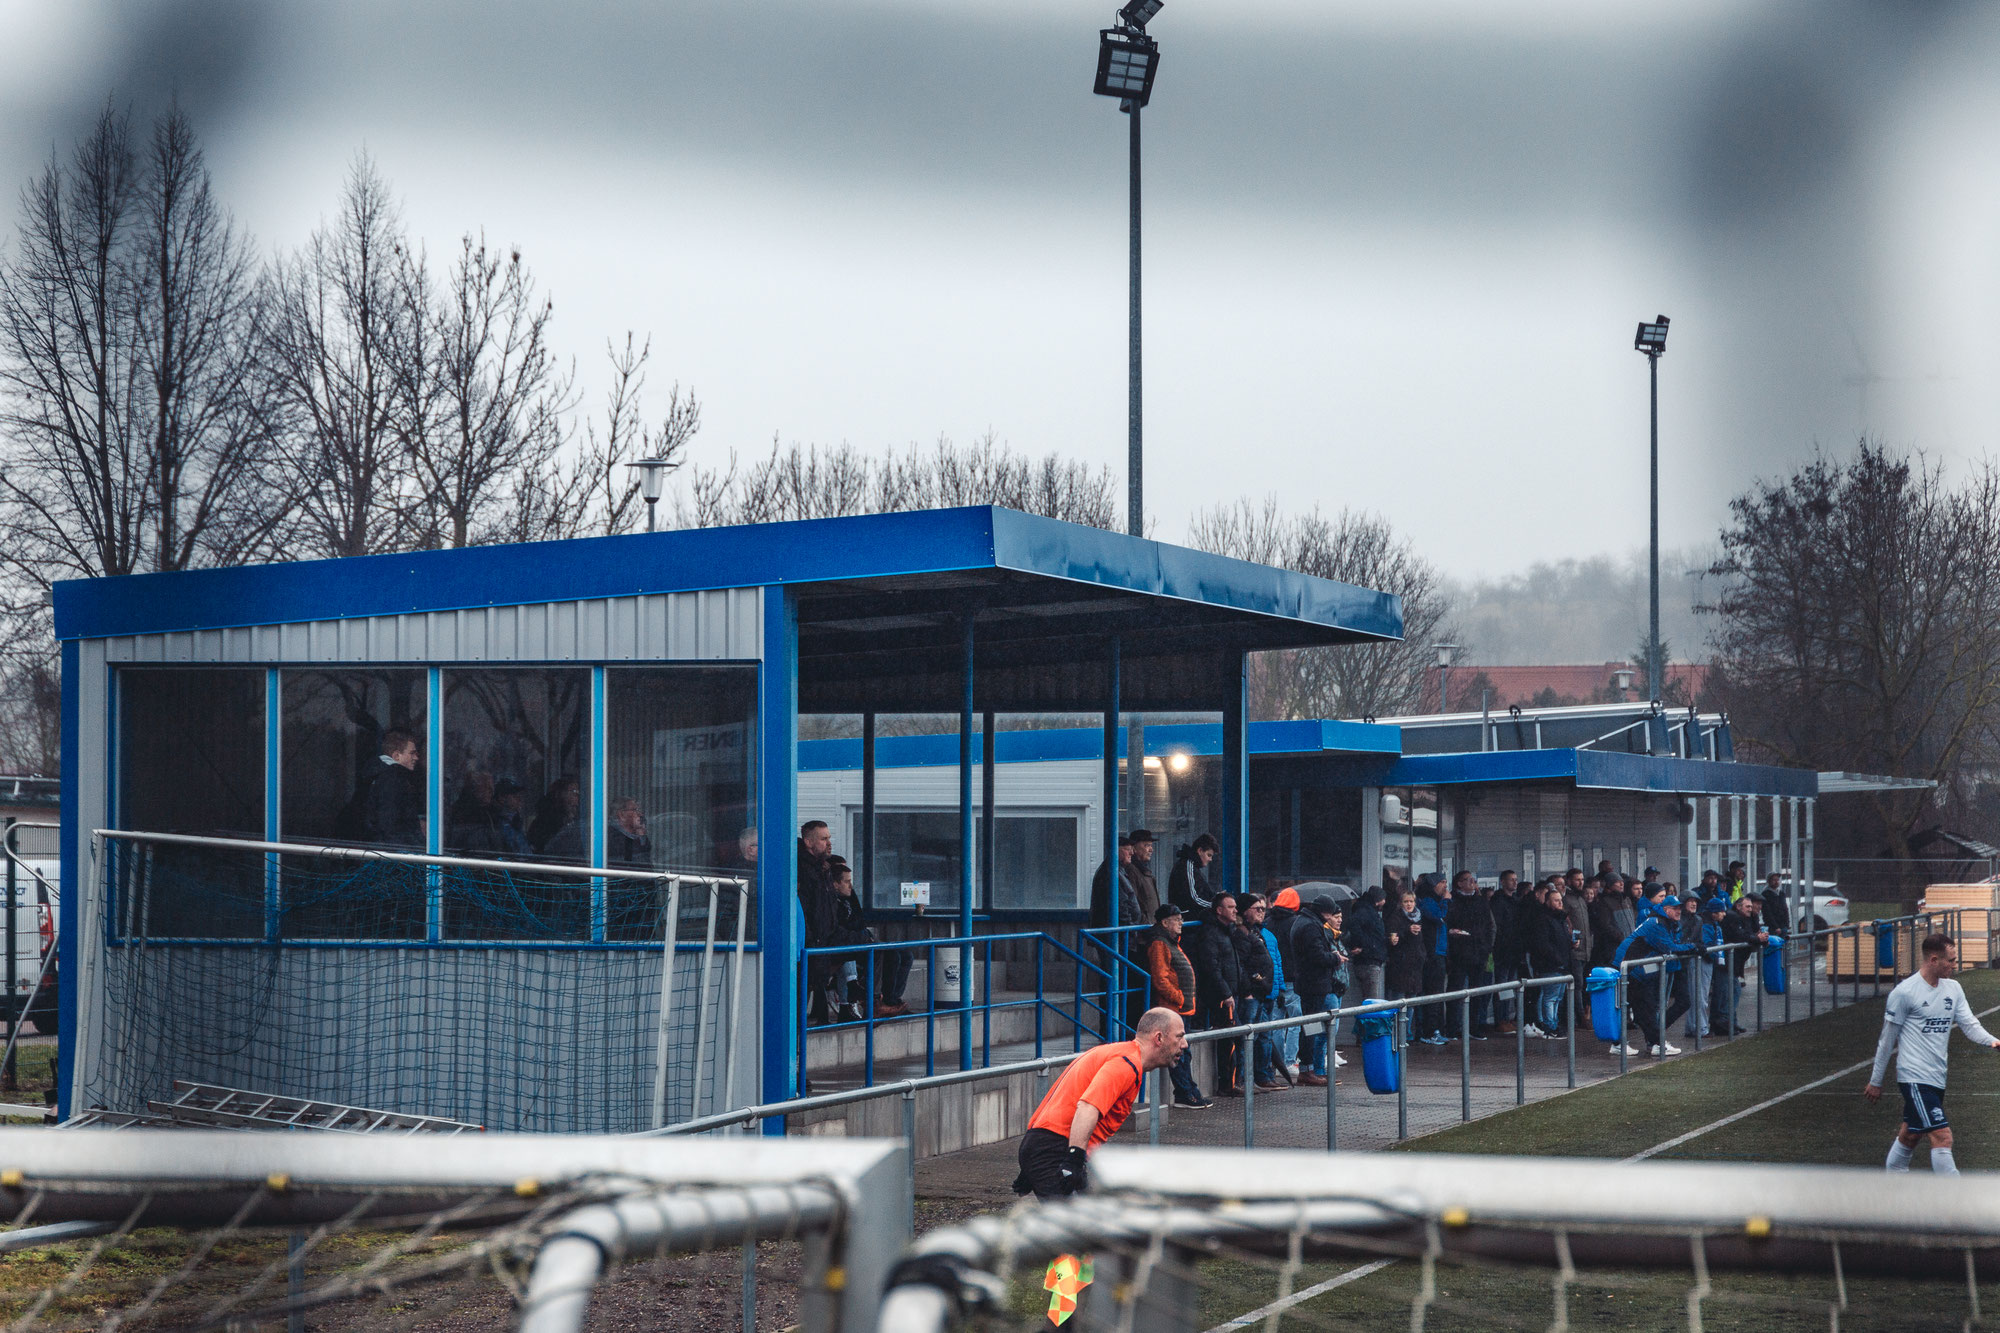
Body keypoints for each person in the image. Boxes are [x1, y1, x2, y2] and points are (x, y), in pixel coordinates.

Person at [1014, 1007, 1189, 1198]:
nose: (1185, 1044)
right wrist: (1072, 1159)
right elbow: (1087, 1107)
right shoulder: (1125, 1064)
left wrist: (1034, 1159)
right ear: (1159, 1038)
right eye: (1179, 1037)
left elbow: (1060, 1100)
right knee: (1075, 1225)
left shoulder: (1116, 1054)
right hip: (1055, 1151)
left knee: (1090, 1217)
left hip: (1050, 1147)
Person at [1865, 935, 1999, 1175]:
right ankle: (1956, 1205)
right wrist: (1875, 1081)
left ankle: (1894, 1183)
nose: (1954, 965)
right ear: (1934, 960)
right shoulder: (1904, 993)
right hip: (1914, 1076)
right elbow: (1887, 1041)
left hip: (1937, 1077)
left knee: (1911, 1134)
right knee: (1942, 1136)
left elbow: (1969, 1024)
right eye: (1951, 960)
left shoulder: (1953, 988)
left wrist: (1993, 1041)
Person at [1140, 904, 1209, 1108]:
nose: (1181, 923)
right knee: (1178, 1052)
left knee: (1183, 1052)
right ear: (1165, 922)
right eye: (1177, 919)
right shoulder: (1160, 943)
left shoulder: (1170, 942)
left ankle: (1189, 1091)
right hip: (1173, 1009)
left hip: (1180, 1009)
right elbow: (1160, 978)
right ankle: (1185, 1093)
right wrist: (1178, 998)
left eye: (1181, 919)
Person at [1612, 895, 1697, 1057]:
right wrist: (1693, 946)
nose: (1679, 911)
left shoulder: (1666, 923)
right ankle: (1650, 1043)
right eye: (1675, 908)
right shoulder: (1656, 924)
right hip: (1629, 969)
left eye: (1680, 908)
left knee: (1644, 1010)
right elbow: (1669, 947)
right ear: (1666, 910)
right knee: (1638, 1008)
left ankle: (1654, 1042)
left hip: (1639, 970)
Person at [1189, 893, 1245, 1094]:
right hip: (1222, 996)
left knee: (1236, 1036)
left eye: (1235, 907)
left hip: (1232, 992)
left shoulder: (1228, 932)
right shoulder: (1210, 934)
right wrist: (1225, 993)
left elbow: (1233, 963)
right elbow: (1211, 967)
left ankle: (1234, 1081)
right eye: (1230, 907)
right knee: (1230, 1038)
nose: (1235, 910)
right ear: (1219, 910)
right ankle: (1227, 1084)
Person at [1289, 895, 1347, 1086]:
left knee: (1311, 1028)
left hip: (1310, 984)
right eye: (1331, 913)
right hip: (1313, 985)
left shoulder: (1304, 922)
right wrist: (1335, 958)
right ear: (1325, 912)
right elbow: (1317, 957)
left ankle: (1310, 1069)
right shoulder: (1310, 926)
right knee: (1311, 1029)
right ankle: (1308, 1069)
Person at [337, 729, 425, 848]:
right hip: (392, 854)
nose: (416, 758)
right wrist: (415, 850)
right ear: (396, 756)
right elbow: (390, 823)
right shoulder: (392, 778)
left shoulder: (376, 775)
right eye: (412, 753)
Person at [1236, 894, 1285, 1091]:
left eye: (1264, 909)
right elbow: (1242, 965)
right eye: (1258, 908)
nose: (1262, 912)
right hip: (1254, 993)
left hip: (1268, 992)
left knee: (1265, 1036)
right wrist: (1248, 989)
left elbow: (1276, 963)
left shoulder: (1267, 935)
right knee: (1252, 1037)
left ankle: (1263, 1075)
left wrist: (1279, 988)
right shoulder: (1243, 934)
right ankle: (1248, 1078)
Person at [1445, 871, 1496, 1039]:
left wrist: (1486, 948)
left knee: (1476, 992)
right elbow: (1447, 921)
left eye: (1474, 881)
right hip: (1458, 952)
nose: (1473, 883)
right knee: (1455, 991)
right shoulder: (1453, 900)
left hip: (1478, 952)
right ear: (1459, 883)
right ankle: (1452, 1028)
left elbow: (1489, 926)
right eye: (1469, 880)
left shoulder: (1480, 901)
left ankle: (1474, 1027)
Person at [1264, 887, 1306, 1077]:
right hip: (1293, 979)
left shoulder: (1267, 923)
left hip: (1273, 980)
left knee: (1276, 1022)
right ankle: (1290, 1062)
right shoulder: (1297, 923)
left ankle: (1277, 1062)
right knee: (1295, 1023)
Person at [1526, 883, 1574, 1037]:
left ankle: (1553, 1023)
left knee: (1558, 997)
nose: (1560, 903)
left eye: (1560, 900)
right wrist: (1557, 958)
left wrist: (1572, 943)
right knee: (1550, 997)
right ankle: (1550, 1026)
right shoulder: (1543, 919)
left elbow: (1562, 940)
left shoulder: (1560, 919)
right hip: (1550, 965)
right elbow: (1543, 944)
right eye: (1555, 900)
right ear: (1547, 902)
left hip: (1562, 964)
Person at [1714, 895, 1766, 1036]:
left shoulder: (1748, 918)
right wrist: (1757, 938)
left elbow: (1749, 934)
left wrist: (1759, 937)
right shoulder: (1732, 917)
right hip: (1727, 961)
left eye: (1751, 906)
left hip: (1734, 962)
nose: (1751, 909)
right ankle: (1725, 1023)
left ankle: (1731, 1022)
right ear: (1738, 907)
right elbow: (1740, 935)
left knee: (1732, 991)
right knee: (1730, 991)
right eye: (1748, 907)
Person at [1417, 875, 1451, 1045]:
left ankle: (1436, 1029)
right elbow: (1439, 916)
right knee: (1433, 992)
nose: (1445, 886)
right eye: (1442, 883)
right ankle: (1430, 1031)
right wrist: (1445, 901)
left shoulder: (1433, 901)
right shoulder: (1428, 902)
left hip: (1440, 952)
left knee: (1438, 992)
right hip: (1433, 954)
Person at [1488, 871, 1524, 1035]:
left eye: (1516, 880)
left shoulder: (1516, 901)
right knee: (1502, 986)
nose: (1515, 883)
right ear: (1502, 882)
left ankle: (1508, 1017)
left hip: (1515, 950)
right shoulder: (1498, 901)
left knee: (1510, 985)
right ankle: (1501, 1019)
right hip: (1503, 950)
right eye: (1511, 880)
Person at [1384, 888, 1428, 1014]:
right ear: (1401, 903)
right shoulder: (1395, 917)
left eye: (1411, 901)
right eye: (1405, 902)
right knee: (1399, 1002)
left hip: (1416, 966)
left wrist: (1422, 955)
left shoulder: (1419, 917)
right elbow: (1392, 938)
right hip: (1401, 966)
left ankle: (1407, 1033)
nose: (1409, 904)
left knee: (1412, 1003)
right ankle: (1399, 1032)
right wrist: (1407, 931)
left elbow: (1422, 941)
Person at [1344, 885, 1389, 1005]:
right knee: (1371, 1002)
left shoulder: (1365, 910)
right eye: (1383, 899)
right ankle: (1369, 1023)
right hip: (1369, 961)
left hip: (1368, 959)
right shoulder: (1365, 912)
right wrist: (1364, 946)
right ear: (1377, 899)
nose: (1384, 902)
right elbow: (1354, 926)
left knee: (1369, 1000)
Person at [528, 777, 583, 859]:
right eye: (573, 792)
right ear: (559, 794)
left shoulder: (576, 820)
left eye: (578, 792)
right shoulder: (544, 823)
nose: (577, 797)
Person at [1167, 834, 1219, 915]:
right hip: (1188, 920)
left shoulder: (1193, 867)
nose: (1210, 859)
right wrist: (1217, 906)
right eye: (1209, 855)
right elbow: (1194, 898)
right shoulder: (1187, 866)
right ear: (1200, 851)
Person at [1126, 830, 1162, 923]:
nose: (1151, 849)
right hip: (1143, 930)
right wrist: (1145, 923)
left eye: (1151, 845)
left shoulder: (1144, 871)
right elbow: (1132, 903)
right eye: (1146, 845)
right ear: (1134, 848)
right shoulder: (1131, 870)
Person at [606, 797, 653, 868]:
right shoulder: (612, 836)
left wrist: (641, 833)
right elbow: (636, 860)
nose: (640, 814)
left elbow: (646, 859)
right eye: (634, 810)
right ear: (621, 814)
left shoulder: (635, 832)